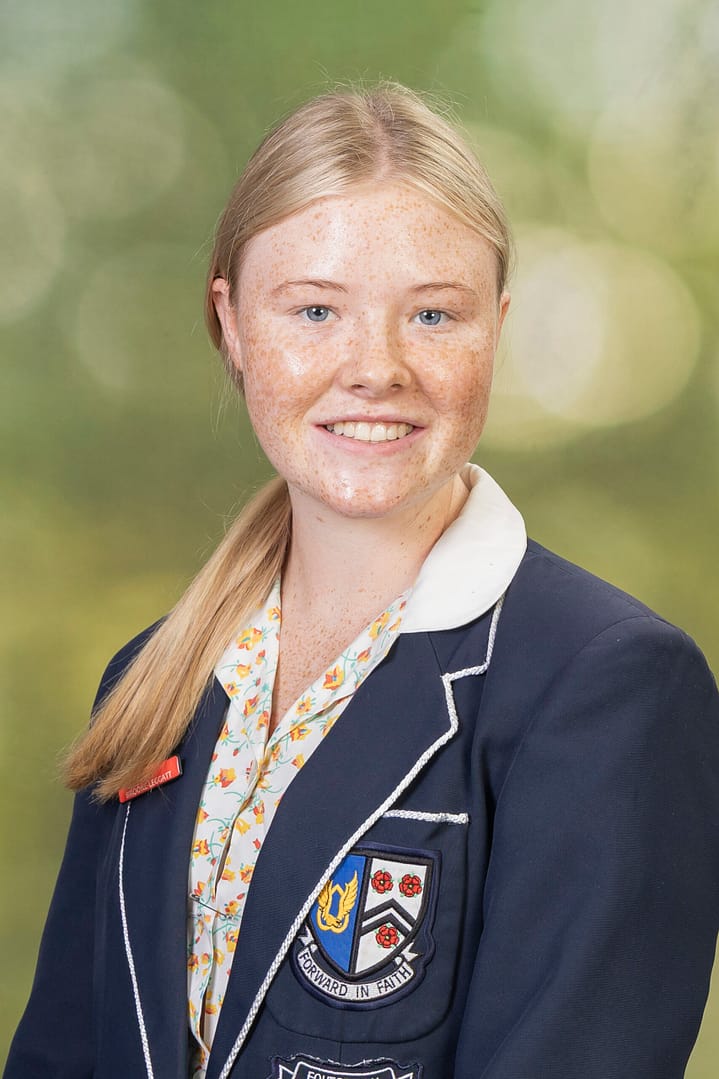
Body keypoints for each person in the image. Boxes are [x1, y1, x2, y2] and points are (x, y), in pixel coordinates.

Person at [5, 84, 718, 1079]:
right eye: (314, 309)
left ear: (495, 328)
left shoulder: (606, 686)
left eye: (431, 313)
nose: (375, 366)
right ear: (231, 324)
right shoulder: (151, 680)